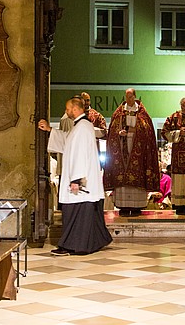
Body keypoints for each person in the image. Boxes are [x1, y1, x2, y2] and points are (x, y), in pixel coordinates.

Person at [38, 97, 112, 255]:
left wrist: (76, 180)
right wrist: (50, 130)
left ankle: (72, 246)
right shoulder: (79, 126)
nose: (66, 111)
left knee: (75, 214)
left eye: (68, 108)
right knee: (82, 214)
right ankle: (92, 242)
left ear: (76, 109)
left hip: (80, 183)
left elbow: (80, 154)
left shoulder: (83, 127)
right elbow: (68, 141)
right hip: (80, 181)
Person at [104, 88, 160, 217]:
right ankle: (123, 206)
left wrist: (136, 130)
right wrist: (119, 133)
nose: (128, 99)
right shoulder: (119, 113)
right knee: (122, 173)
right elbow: (112, 130)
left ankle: (136, 206)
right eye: (126, 96)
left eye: (130, 96)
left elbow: (148, 131)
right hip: (122, 149)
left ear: (135, 97)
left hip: (138, 149)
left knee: (137, 173)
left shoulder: (142, 114)